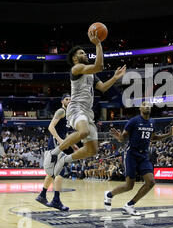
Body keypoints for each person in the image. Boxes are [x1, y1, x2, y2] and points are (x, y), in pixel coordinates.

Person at [43, 29, 126, 177]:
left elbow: (103, 87)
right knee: (83, 132)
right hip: (75, 108)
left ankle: (64, 159)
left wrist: (114, 78)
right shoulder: (76, 68)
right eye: (81, 53)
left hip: (87, 111)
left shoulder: (91, 74)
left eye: (84, 53)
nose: (84, 54)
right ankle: (54, 153)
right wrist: (98, 44)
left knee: (92, 150)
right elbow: (99, 66)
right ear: (75, 59)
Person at [104, 101, 173, 215]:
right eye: (144, 105)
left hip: (144, 155)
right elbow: (122, 138)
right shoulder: (134, 121)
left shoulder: (152, 122)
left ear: (151, 108)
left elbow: (153, 138)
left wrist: (169, 134)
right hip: (131, 154)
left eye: (148, 105)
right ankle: (109, 195)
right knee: (129, 186)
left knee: (151, 182)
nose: (147, 106)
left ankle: (130, 205)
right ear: (140, 108)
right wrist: (118, 137)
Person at [35, 94, 75, 211]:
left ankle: (42, 195)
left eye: (70, 100)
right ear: (62, 101)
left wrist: (73, 145)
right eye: (67, 99)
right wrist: (60, 141)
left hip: (59, 145)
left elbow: (65, 133)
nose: (69, 101)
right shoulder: (61, 111)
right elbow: (50, 127)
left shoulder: (68, 115)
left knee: (53, 173)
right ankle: (56, 200)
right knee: (60, 172)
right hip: (55, 145)